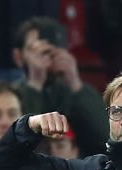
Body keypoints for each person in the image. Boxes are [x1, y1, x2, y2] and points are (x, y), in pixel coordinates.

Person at [10, 17, 108, 157]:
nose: (46, 54)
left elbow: (105, 138)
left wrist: (75, 83)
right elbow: (18, 144)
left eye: (53, 47)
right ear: (18, 57)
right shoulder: (11, 95)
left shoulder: (76, 92)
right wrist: (35, 84)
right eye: (35, 49)